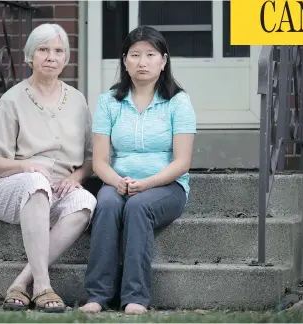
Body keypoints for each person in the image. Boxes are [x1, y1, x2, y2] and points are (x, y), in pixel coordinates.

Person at [79, 25, 196, 315]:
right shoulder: (109, 102)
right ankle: (97, 295)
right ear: (124, 61)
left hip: (166, 187)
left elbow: (182, 162)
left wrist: (146, 185)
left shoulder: (178, 102)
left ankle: (136, 296)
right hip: (118, 182)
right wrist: (118, 183)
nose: (142, 62)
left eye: (150, 55)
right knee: (105, 203)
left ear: (163, 61)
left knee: (137, 208)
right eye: (135, 55)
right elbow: (100, 162)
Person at [0, 23, 97, 313]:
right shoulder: (12, 100)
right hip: (11, 188)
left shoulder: (78, 100)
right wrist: (27, 166)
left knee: (86, 201)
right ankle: (44, 286)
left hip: (57, 188)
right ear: (30, 57)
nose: (51, 56)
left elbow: (89, 157)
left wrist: (77, 175)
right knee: (35, 183)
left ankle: (22, 281)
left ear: (66, 58)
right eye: (43, 50)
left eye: (58, 50)